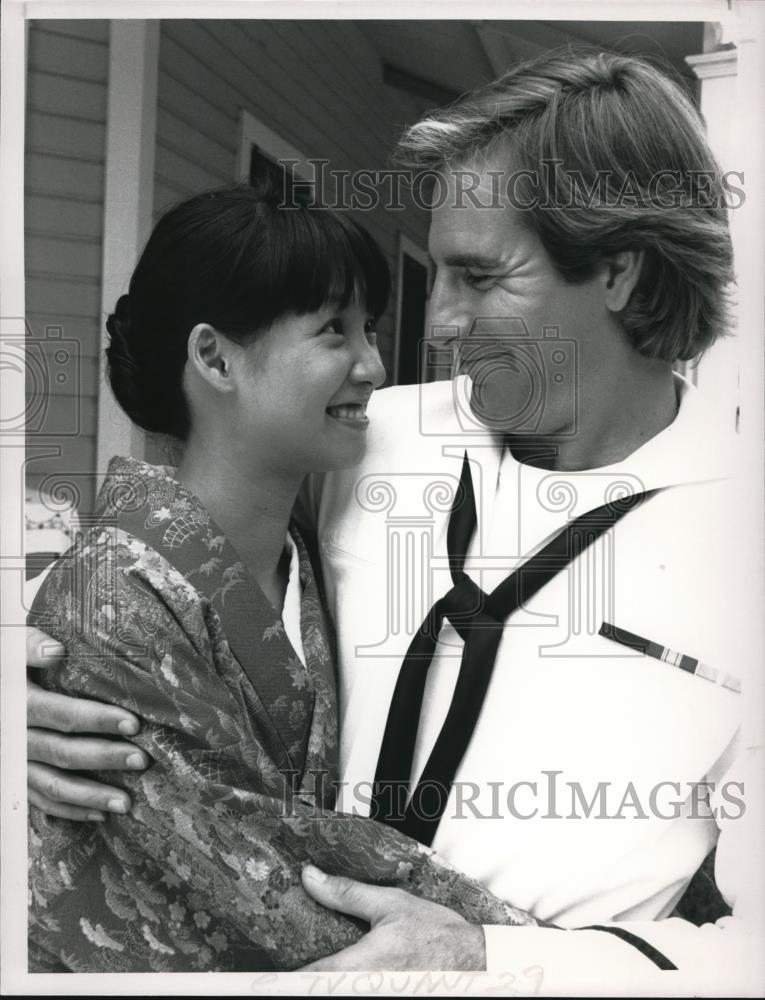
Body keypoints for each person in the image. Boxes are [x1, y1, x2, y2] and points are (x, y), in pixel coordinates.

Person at [26, 49, 763, 989]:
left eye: (479, 276)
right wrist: (36, 679)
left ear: (617, 271)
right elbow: (167, 556)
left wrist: (493, 957)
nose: (437, 320)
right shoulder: (369, 440)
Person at [25, 183, 537, 972]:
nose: (371, 364)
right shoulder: (106, 602)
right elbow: (251, 877)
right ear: (213, 356)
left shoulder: (311, 546)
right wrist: (513, 943)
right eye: (334, 330)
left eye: (370, 329)